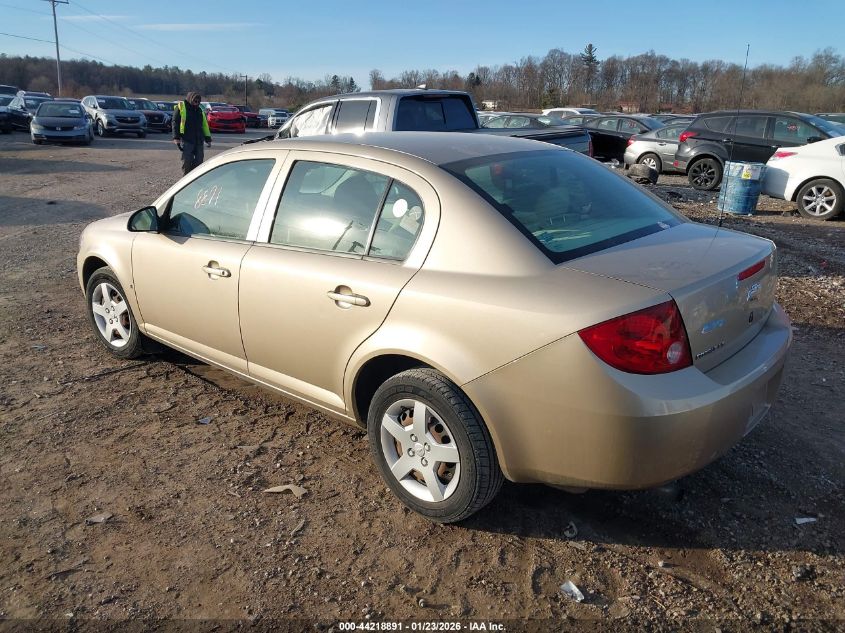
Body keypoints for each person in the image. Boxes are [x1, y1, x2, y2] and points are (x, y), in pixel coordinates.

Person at [172, 91, 211, 175]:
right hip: (187, 139)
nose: (196, 103)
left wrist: (208, 138)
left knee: (199, 162)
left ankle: (195, 180)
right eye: (195, 101)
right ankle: (186, 181)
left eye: (198, 102)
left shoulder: (200, 110)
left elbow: (204, 125)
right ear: (190, 99)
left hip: (199, 140)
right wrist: (176, 137)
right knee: (187, 162)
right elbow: (175, 122)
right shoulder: (181, 107)